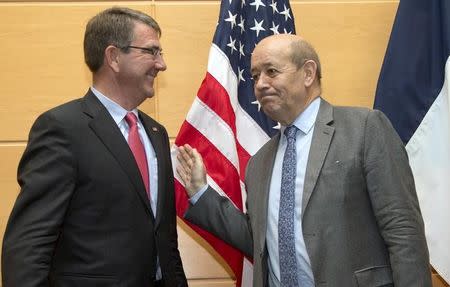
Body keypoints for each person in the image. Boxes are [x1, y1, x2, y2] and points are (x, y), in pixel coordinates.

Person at [176, 34, 432, 287]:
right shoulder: (259, 163)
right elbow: (259, 243)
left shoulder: (364, 129)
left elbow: (403, 231)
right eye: (255, 76)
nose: (260, 84)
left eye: (271, 71)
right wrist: (201, 193)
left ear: (308, 73)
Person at [2, 7, 187, 287]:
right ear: (113, 57)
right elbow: (29, 244)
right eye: (151, 51)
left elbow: (164, 238)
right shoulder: (62, 128)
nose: (161, 64)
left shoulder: (156, 133)